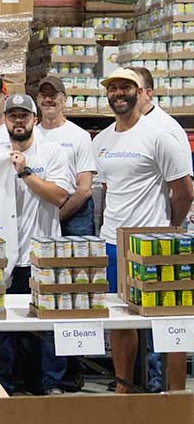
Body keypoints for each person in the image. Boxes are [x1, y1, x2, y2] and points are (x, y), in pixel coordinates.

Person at [93, 67, 194, 393]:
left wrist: (169, 230)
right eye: (113, 88)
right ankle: (124, 391)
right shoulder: (102, 140)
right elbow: (108, 189)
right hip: (113, 243)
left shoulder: (160, 135)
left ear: (140, 92)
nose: (118, 94)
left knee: (169, 322)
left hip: (155, 244)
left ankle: (174, 395)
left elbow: (184, 191)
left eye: (125, 87)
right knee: (120, 321)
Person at [0, 94, 75, 396]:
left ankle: (50, 385)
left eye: (24, 115)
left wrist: (24, 172)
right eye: (13, 115)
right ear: (4, 120)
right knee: (3, 328)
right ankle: (3, 386)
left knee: (46, 327)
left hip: (41, 254)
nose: (18, 121)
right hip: (4, 257)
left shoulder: (53, 152)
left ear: (34, 119)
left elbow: (60, 196)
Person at [35, 76, 97, 236]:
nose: (48, 99)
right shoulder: (32, 136)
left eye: (53, 95)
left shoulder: (79, 136)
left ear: (64, 100)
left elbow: (84, 189)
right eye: (43, 95)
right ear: (38, 100)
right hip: (41, 209)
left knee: (78, 253)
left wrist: (58, 216)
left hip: (75, 212)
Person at [128, 66, 190, 149]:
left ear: (148, 93)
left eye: (129, 88)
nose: (122, 94)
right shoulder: (119, 126)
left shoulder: (166, 129)